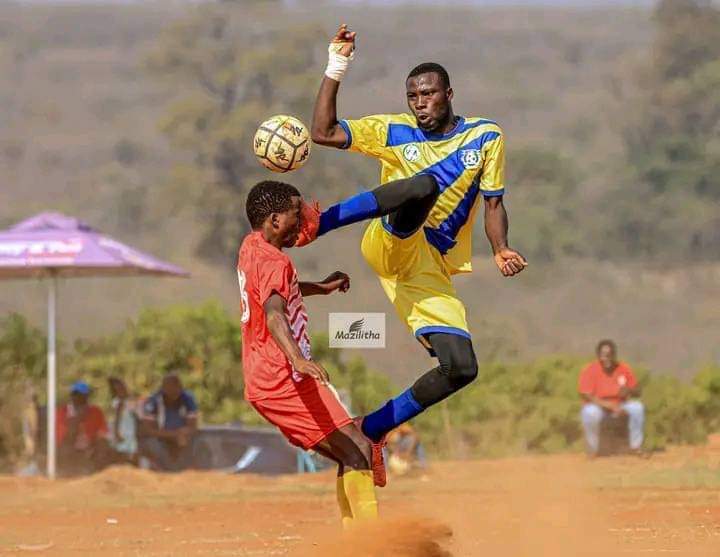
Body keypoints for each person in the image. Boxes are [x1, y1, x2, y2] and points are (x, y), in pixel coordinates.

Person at [303, 24, 527, 478]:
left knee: (461, 366)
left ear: (448, 93)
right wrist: (337, 63)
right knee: (421, 186)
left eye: (428, 94)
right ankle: (318, 224)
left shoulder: (486, 137)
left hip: (429, 268)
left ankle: (372, 428)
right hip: (388, 242)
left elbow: (494, 201)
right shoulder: (393, 130)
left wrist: (500, 248)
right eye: (413, 96)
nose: (420, 103)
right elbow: (323, 132)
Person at [237, 181, 377, 527]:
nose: (303, 221)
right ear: (274, 220)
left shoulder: (251, 246)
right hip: (282, 378)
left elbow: (277, 292)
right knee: (358, 448)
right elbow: (274, 313)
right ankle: (375, 545)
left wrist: (321, 288)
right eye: (296, 214)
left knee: (352, 451)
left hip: (264, 378)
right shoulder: (276, 261)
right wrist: (297, 357)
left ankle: (360, 544)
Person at [578, 340, 644, 456]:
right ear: (598, 356)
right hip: (599, 406)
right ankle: (592, 450)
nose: (607, 358)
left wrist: (629, 390)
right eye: (604, 355)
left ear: (615, 355)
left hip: (620, 405)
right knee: (589, 412)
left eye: (610, 355)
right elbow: (586, 395)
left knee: (637, 408)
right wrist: (608, 405)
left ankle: (636, 447)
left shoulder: (623, 368)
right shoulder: (590, 370)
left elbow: (638, 390)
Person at [139, 374, 198, 472]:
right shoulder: (152, 401)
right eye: (171, 390)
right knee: (151, 444)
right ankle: (164, 471)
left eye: (177, 389)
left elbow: (193, 426)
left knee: (194, 441)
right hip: (158, 438)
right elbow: (149, 430)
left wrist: (184, 432)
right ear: (163, 389)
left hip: (180, 438)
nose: (174, 394)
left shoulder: (187, 398)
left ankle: (185, 471)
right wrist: (174, 435)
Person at [56, 381, 110, 476]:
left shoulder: (95, 411)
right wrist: (77, 418)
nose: (79, 398)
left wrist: (93, 447)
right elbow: (62, 437)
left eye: (83, 395)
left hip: (91, 448)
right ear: (72, 396)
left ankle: (99, 476)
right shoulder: (63, 412)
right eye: (76, 394)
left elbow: (102, 433)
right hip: (70, 447)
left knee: (103, 445)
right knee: (64, 450)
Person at [107, 377, 139, 464]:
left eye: (122, 387)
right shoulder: (117, 403)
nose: (122, 390)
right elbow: (116, 419)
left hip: (131, 432)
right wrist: (116, 433)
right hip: (122, 432)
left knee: (132, 454)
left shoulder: (131, 400)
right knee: (123, 454)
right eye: (118, 389)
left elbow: (135, 416)